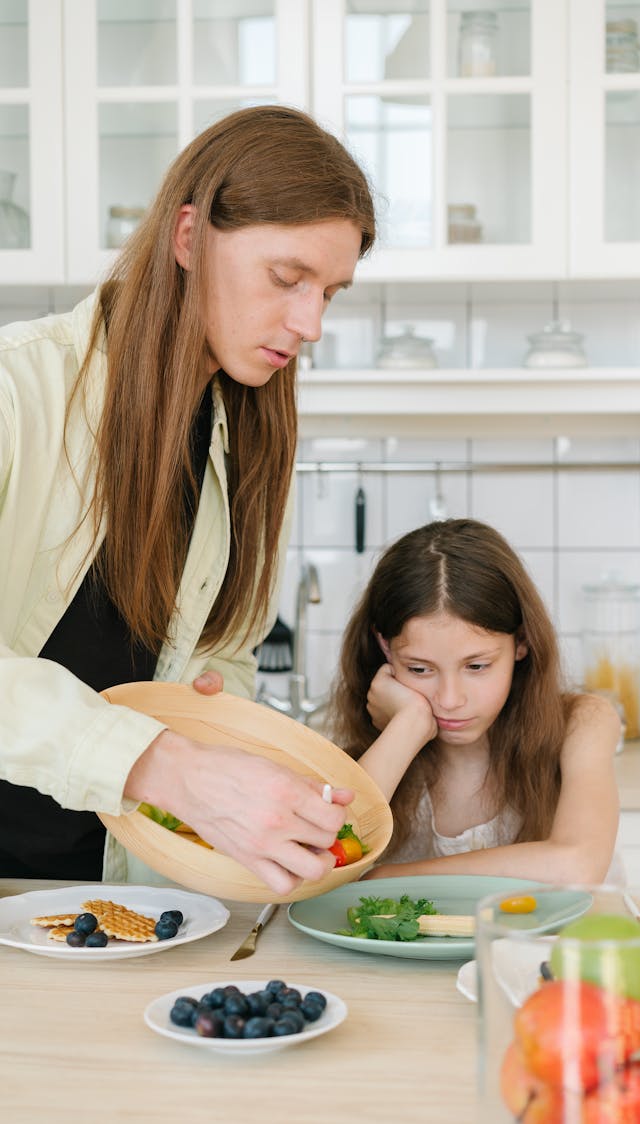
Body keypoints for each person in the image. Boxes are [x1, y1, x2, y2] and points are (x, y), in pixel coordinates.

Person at [0, 105, 376, 894]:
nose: (309, 323)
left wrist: (210, 722)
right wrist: (162, 763)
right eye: (287, 277)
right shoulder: (14, 391)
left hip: (109, 903)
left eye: (331, 293)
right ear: (186, 238)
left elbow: (226, 658)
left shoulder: (245, 439)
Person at [329, 518, 622, 884]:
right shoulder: (381, 744)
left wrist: (387, 877)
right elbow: (324, 856)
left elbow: (577, 865)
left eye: (477, 666)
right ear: (385, 648)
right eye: (419, 669)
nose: (450, 700)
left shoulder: (584, 721)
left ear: (522, 642)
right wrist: (407, 726)